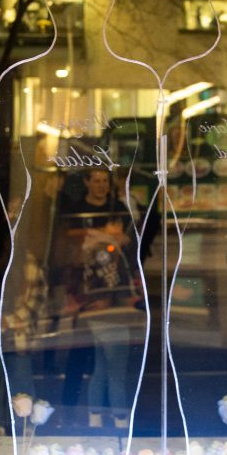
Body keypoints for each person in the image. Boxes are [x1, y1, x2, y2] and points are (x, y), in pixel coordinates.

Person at [54, 167, 148, 422]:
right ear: (87, 182)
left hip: (108, 297)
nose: (101, 185)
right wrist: (103, 235)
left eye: (105, 181)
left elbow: (129, 239)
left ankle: (97, 417)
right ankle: (105, 417)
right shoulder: (77, 209)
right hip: (91, 297)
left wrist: (103, 237)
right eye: (96, 181)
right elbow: (68, 238)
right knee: (96, 363)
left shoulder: (117, 206)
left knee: (102, 365)